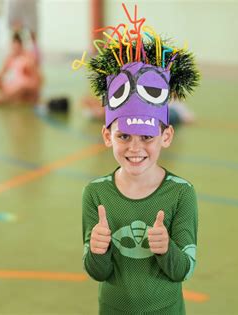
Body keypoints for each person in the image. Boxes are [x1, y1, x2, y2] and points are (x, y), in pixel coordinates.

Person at [78, 4, 200, 314]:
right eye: (123, 137)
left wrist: (166, 250)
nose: (135, 148)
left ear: (166, 137)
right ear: (108, 136)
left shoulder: (181, 193)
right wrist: (97, 249)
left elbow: (183, 269)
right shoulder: (96, 194)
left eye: (147, 137)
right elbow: (97, 272)